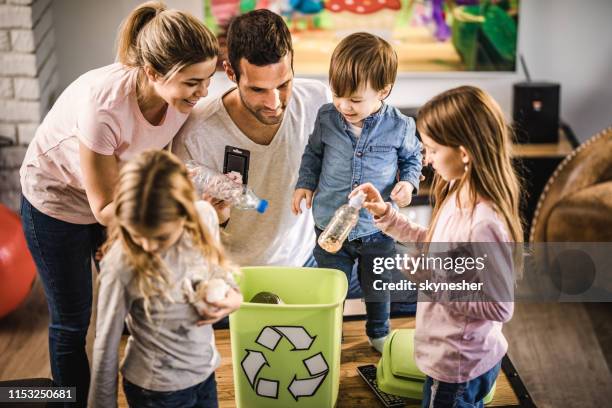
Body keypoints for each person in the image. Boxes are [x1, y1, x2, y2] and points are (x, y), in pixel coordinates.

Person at [19, 2, 218, 404]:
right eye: (193, 82)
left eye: (208, 78)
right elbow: (105, 210)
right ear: (152, 73)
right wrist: (181, 207)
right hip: (58, 200)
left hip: (120, 197)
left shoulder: (180, 101)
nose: (204, 92)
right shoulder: (104, 106)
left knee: (133, 307)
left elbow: (163, 166)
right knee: (74, 321)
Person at [353, 85, 522, 407]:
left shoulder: (484, 222)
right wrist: (387, 216)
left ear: (464, 152)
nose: (426, 160)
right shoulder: (459, 191)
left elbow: (500, 307)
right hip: (451, 352)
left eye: (431, 149)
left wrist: (432, 281)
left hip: (457, 365)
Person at [292, 32, 422, 352]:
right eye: (338, 94)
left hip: (376, 229)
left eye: (354, 99)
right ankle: (327, 331)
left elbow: (412, 159)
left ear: (383, 91)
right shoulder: (327, 116)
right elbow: (313, 155)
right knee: (329, 288)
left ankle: (378, 331)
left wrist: (408, 183)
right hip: (329, 224)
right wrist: (304, 184)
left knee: (377, 287)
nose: (343, 105)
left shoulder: (401, 126)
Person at [172, 9, 331, 267]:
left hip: (307, 260)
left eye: (283, 84)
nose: (274, 103)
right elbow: (185, 238)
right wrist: (217, 219)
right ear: (231, 73)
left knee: (416, 281)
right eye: (258, 89)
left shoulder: (318, 100)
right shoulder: (195, 134)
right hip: (233, 275)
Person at [88, 150, 242, 408]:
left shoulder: (203, 216)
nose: (147, 247)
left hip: (204, 372)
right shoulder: (120, 265)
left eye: (160, 238)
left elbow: (218, 270)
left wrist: (234, 297)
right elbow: (105, 345)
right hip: (156, 390)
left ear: (184, 214)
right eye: (137, 234)